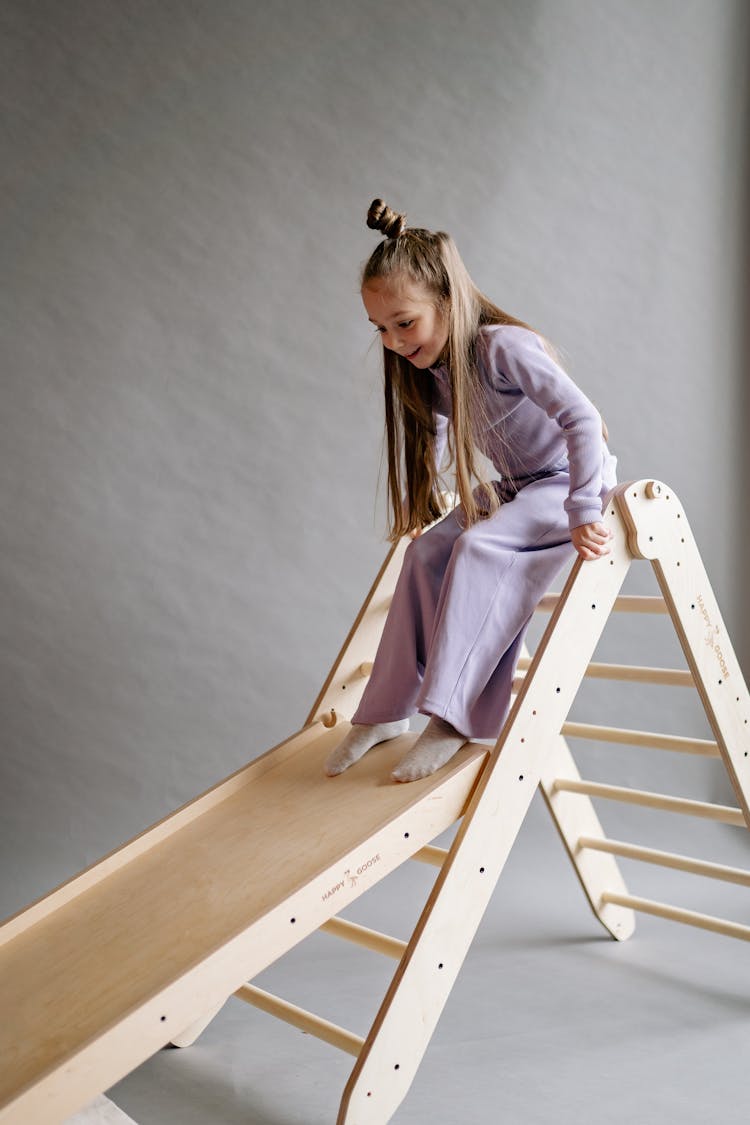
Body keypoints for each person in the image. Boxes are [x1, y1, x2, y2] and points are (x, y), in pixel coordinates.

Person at [324, 198, 616, 784]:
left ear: (449, 302)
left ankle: (456, 717)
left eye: (404, 322)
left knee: (480, 550)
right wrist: (431, 503)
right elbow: (432, 431)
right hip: (514, 487)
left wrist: (584, 506)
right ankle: (385, 712)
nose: (392, 340)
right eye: (380, 328)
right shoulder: (434, 369)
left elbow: (582, 420)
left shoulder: (503, 347)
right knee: (426, 551)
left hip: (562, 484)